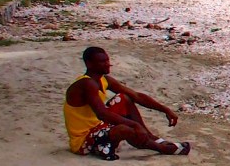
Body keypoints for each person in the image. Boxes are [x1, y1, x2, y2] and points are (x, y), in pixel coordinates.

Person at [63, 46, 191, 160]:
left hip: (98, 127)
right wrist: (135, 125)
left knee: (124, 98)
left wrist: (165, 110)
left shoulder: (104, 80)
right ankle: (161, 148)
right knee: (124, 129)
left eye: (107, 60)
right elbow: (102, 114)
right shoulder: (86, 83)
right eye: (102, 61)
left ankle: (149, 137)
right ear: (89, 64)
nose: (108, 64)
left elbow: (136, 96)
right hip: (83, 140)